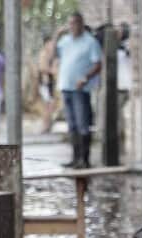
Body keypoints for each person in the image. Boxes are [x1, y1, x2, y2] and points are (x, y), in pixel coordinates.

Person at [56, 12, 103, 168]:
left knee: (83, 123)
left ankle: (85, 159)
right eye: (70, 23)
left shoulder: (90, 42)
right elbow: (53, 55)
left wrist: (85, 78)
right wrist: (57, 34)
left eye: (75, 23)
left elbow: (98, 64)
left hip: (80, 89)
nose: (72, 26)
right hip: (66, 87)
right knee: (72, 125)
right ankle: (75, 158)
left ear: (81, 24)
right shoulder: (64, 41)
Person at [37, 32, 61, 133]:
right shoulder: (43, 54)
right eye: (50, 43)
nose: (52, 45)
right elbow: (42, 68)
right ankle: (45, 126)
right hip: (45, 83)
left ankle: (48, 125)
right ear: (46, 43)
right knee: (47, 105)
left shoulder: (52, 55)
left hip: (50, 83)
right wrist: (52, 70)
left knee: (51, 105)